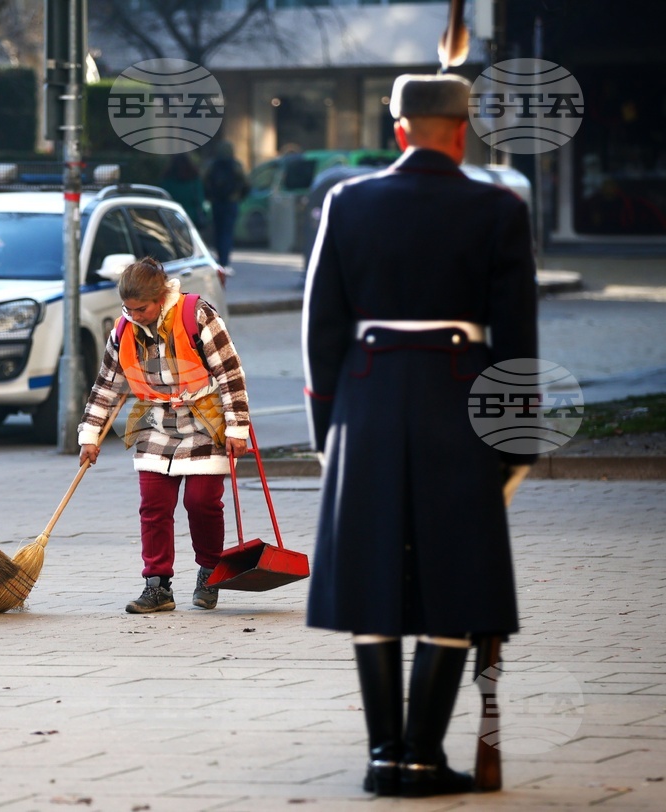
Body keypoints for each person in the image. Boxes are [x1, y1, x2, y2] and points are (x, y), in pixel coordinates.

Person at [302, 74, 538, 798]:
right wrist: (515, 441)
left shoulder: (348, 201)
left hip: (366, 404)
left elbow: (322, 330)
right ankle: (423, 757)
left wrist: (327, 432)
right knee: (457, 576)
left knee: (372, 574)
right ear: (462, 132)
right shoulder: (498, 208)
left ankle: (383, 757)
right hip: (460, 403)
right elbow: (518, 341)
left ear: (399, 130)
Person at [78, 256, 250, 614]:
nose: (133, 315)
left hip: (206, 420)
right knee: (154, 506)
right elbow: (106, 385)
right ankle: (157, 587)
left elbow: (230, 373)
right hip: (155, 422)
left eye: (141, 308)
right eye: (128, 308)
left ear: (160, 298)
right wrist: (90, 435)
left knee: (201, 502)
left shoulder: (197, 315)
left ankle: (209, 571)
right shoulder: (124, 329)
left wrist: (237, 428)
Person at [203, 140, 248, 270]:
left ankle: (220, 258)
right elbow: (245, 184)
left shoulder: (211, 165)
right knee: (227, 232)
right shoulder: (236, 165)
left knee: (218, 231)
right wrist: (239, 197)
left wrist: (209, 196)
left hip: (216, 202)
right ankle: (225, 260)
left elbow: (204, 182)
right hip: (231, 202)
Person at [159, 153, 207, 228]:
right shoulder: (194, 179)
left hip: (173, 218)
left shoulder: (168, 179)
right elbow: (200, 199)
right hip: (192, 218)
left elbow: (163, 198)